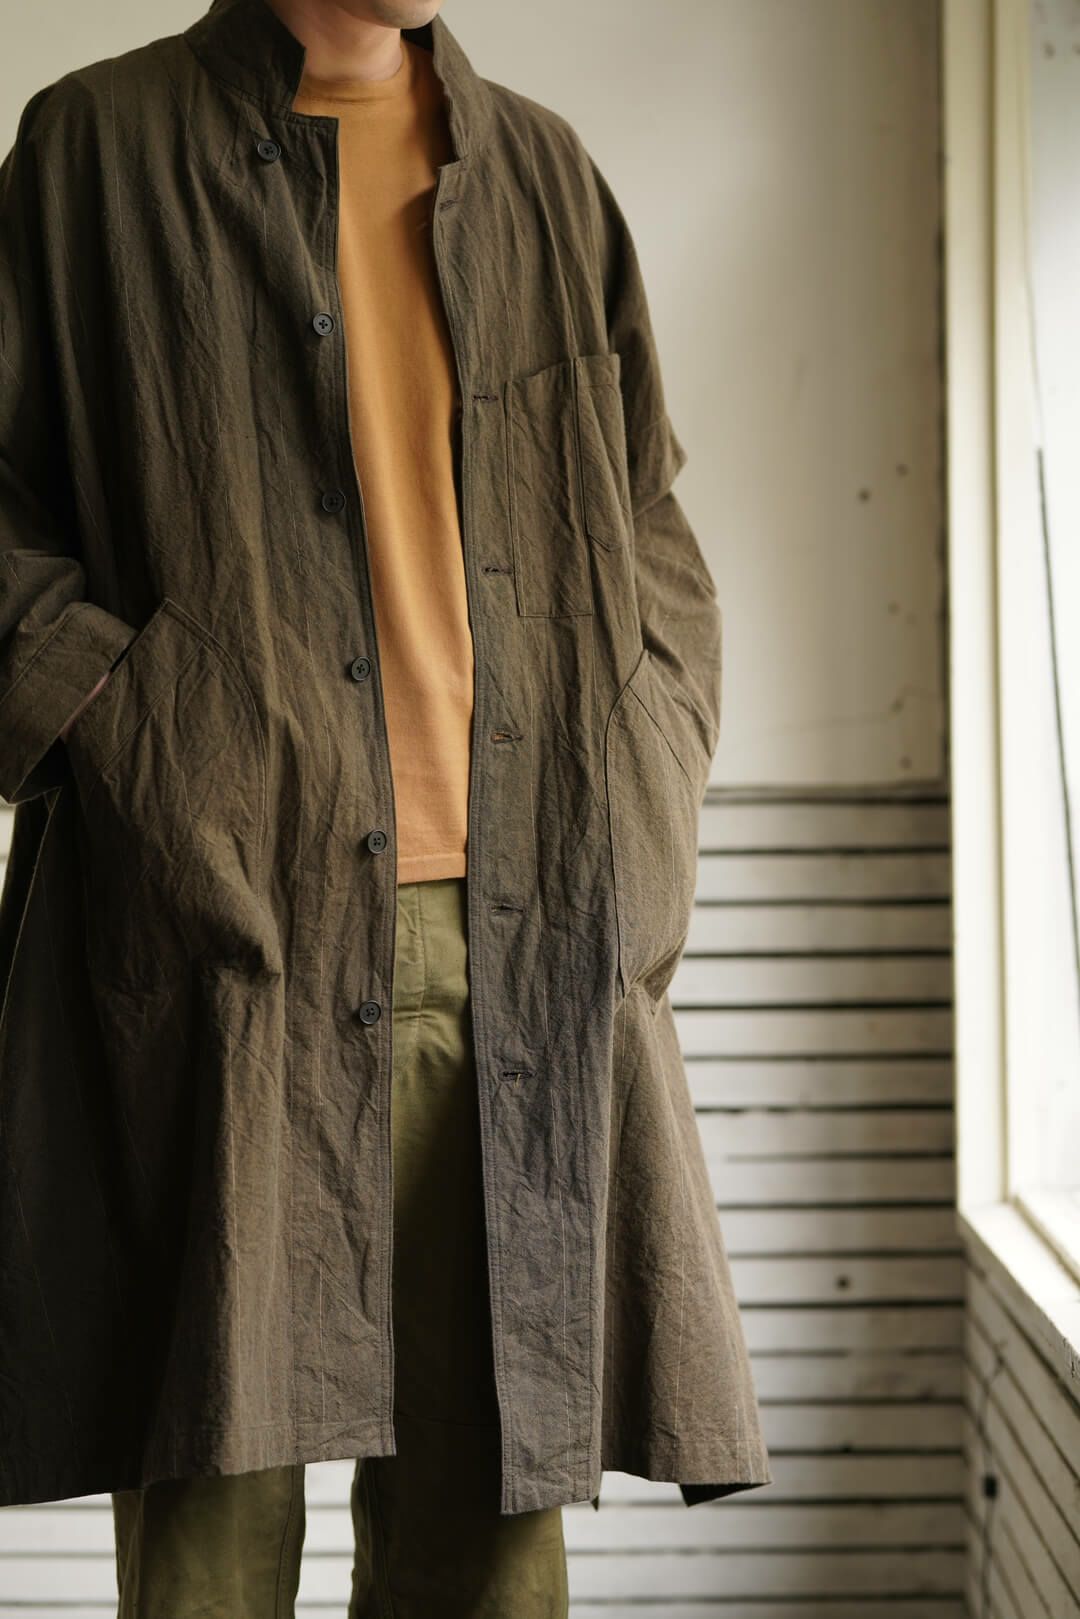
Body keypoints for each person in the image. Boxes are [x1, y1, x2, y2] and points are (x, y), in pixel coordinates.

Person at [0, 0, 772, 1612]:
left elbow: (645, 517)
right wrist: (137, 733)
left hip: (520, 944)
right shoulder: (96, 151)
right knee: (210, 1541)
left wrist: (650, 760)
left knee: (487, 1549)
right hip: (228, 934)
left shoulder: (543, 172)